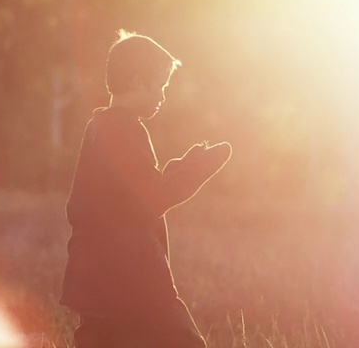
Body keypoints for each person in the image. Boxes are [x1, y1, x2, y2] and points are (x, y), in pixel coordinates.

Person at [60, 29, 232, 348]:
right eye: (161, 85)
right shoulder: (126, 130)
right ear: (139, 82)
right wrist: (196, 169)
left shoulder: (98, 126)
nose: (163, 95)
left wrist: (179, 167)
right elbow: (151, 199)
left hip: (94, 281)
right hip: (135, 280)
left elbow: (131, 192)